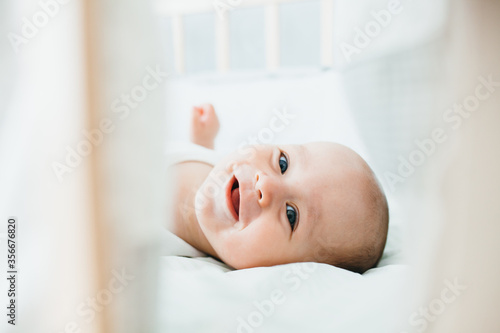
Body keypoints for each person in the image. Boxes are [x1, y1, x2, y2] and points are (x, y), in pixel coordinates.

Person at [167, 104, 389, 273]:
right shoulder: (216, 164)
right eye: (283, 163)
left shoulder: (162, 251)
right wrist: (202, 141)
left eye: (291, 215)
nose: (266, 184)